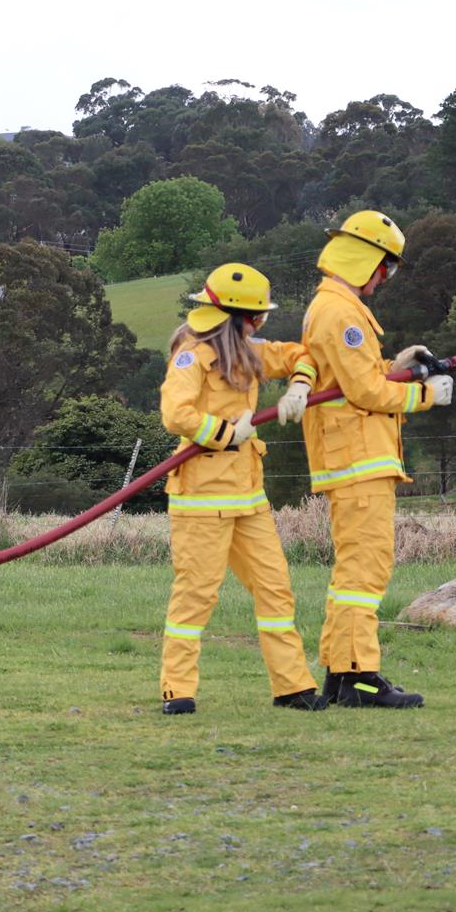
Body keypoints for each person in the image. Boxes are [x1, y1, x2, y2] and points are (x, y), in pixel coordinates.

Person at [156, 263, 328, 715]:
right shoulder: (191, 356)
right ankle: (178, 690)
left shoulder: (249, 352)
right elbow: (176, 414)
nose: (262, 324)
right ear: (241, 318)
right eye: (258, 316)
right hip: (200, 500)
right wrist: (226, 433)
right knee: (196, 596)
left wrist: (299, 388)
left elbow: (302, 355)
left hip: (249, 500)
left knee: (275, 590)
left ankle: (292, 687)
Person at [295, 211, 452, 708]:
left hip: (353, 459)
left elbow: (355, 377)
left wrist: (397, 365)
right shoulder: (341, 313)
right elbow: (364, 392)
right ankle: (360, 678)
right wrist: (426, 395)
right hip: (358, 460)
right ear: (370, 261)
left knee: (354, 575)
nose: (385, 279)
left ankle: (343, 675)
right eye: (387, 268)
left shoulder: (334, 307)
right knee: (364, 574)